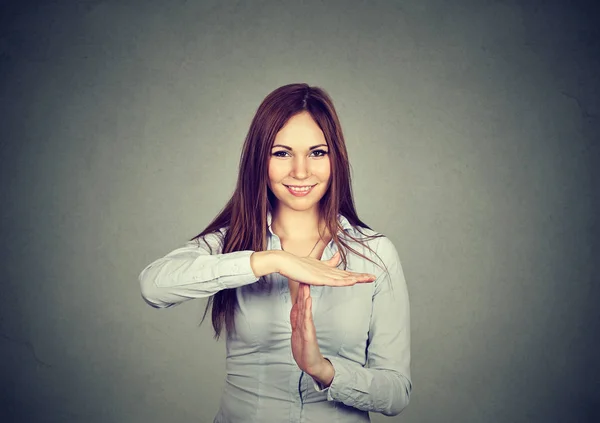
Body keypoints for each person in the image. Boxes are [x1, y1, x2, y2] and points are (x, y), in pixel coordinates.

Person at [138, 83, 412, 422]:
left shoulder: (375, 253)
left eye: (317, 153)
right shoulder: (233, 242)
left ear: (335, 159)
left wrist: (323, 369)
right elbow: (153, 286)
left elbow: (396, 392)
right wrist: (272, 260)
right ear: (260, 159)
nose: (300, 171)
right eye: (281, 153)